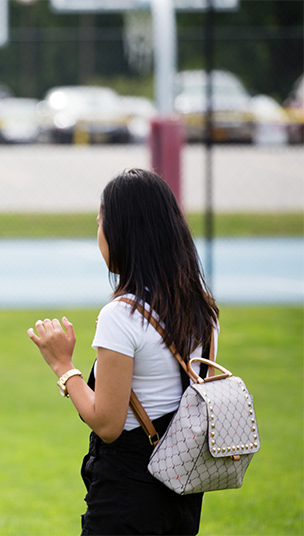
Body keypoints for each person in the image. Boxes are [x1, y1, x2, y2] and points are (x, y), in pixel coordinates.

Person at [27, 168, 219, 535]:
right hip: (183, 490)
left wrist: (63, 366)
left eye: (100, 224)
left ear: (120, 234)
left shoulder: (122, 315)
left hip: (127, 494)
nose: (98, 235)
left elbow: (108, 423)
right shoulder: (202, 310)